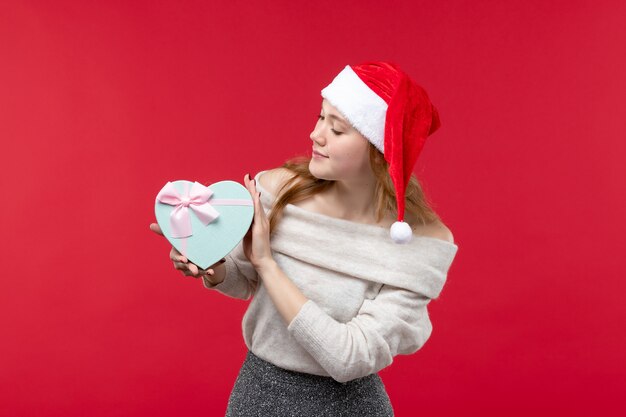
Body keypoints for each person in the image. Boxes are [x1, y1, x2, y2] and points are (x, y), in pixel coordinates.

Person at [150, 61, 459, 416]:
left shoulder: (418, 245)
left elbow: (349, 357)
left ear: (379, 152)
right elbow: (244, 278)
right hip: (257, 397)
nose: (317, 135)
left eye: (338, 130)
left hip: (349, 407)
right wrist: (211, 261)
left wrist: (267, 264)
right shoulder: (279, 190)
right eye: (320, 117)